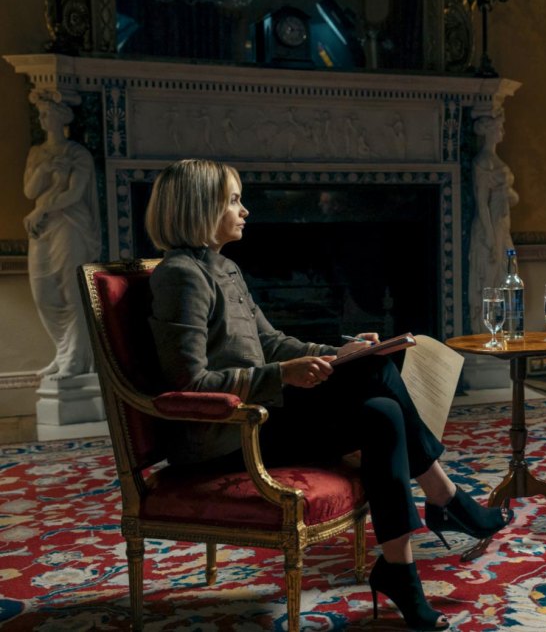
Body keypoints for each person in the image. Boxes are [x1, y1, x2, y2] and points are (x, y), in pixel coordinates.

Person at [145, 159, 511, 630]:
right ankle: (447, 497)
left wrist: (341, 352)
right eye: (233, 200)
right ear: (198, 207)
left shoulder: (225, 269)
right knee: (376, 375)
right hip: (222, 437)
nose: (246, 210)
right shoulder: (180, 276)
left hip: (261, 417)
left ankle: (400, 572)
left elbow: (272, 342)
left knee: (381, 411)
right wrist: (283, 375)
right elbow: (187, 383)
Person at [23, 94, 101, 379]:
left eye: (46, 114)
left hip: (70, 227)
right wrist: (45, 170)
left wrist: (42, 209)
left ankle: (76, 359)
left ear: (60, 117)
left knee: (71, 291)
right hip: (43, 229)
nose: (42, 120)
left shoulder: (78, 153)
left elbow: (74, 194)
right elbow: (29, 192)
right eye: (41, 115)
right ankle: (62, 350)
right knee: (44, 292)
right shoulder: (37, 154)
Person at [467, 112, 517, 330]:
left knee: (508, 274)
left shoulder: (496, 161)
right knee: (490, 277)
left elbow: (512, 197)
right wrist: (489, 238)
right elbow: (481, 203)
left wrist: (507, 194)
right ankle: (487, 331)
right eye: (499, 128)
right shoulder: (482, 163)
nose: (503, 132)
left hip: (503, 225)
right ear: (488, 131)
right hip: (490, 228)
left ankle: (501, 328)